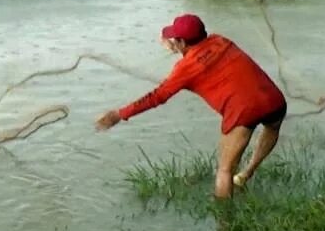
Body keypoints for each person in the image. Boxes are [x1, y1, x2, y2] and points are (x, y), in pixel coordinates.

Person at [95, 13, 288, 199]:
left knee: (224, 170)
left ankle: (224, 221)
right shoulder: (221, 40)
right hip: (273, 100)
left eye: (175, 38)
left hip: (243, 112)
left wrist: (119, 115)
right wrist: (180, 49)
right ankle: (246, 174)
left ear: (181, 42)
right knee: (272, 126)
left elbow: (157, 97)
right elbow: (206, 58)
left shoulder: (185, 69)